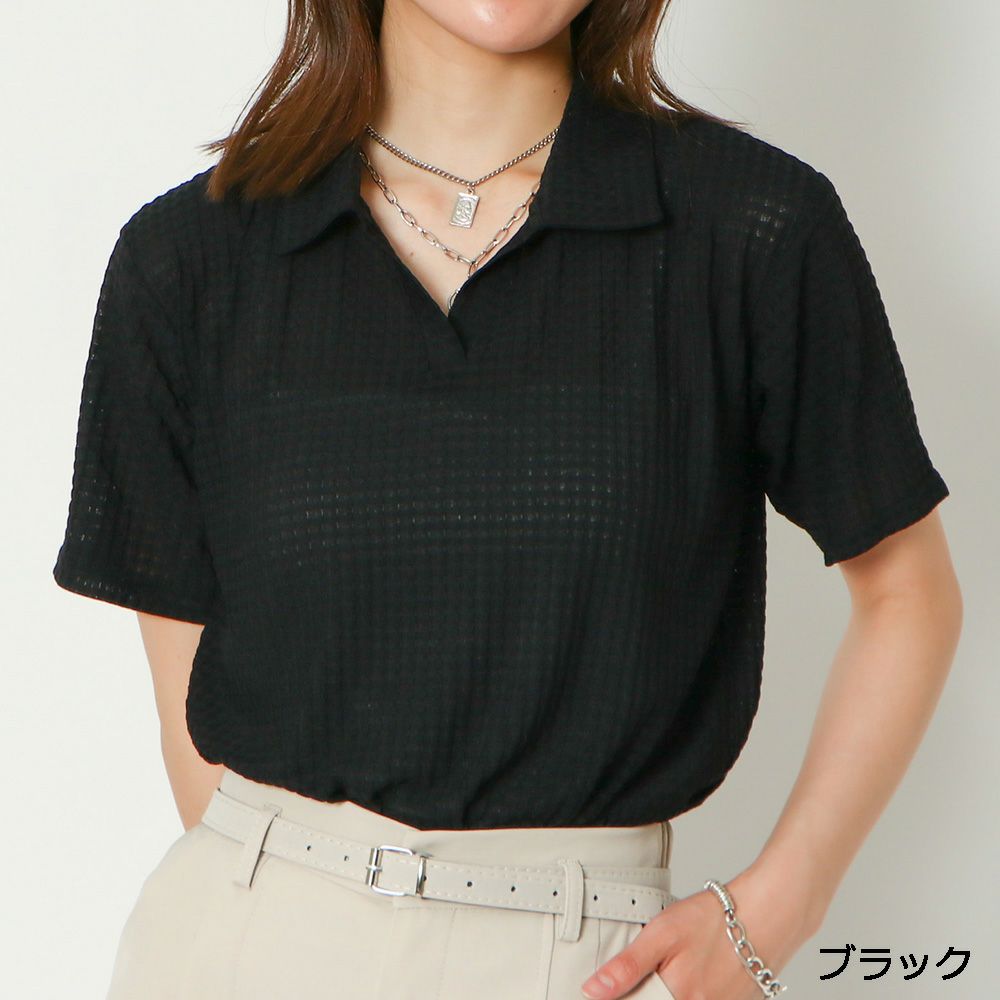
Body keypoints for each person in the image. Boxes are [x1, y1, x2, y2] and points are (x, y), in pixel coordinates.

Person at [52, 1, 962, 998]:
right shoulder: (189, 256)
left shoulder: (748, 227)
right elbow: (190, 696)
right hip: (247, 942)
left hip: (585, 954)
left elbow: (907, 592)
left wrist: (780, 906)